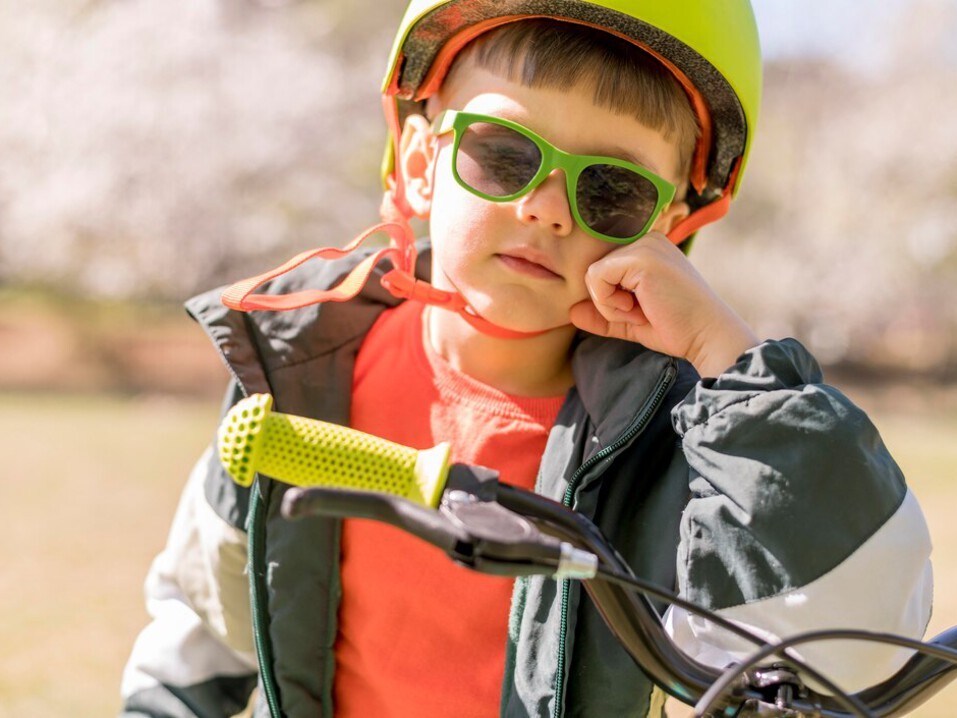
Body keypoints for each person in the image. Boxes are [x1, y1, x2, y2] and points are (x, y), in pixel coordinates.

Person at [120, 1, 933, 717]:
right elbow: (204, 616)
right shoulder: (303, 375)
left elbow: (852, 650)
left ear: (670, 232)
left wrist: (726, 357)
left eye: (609, 192)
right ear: (418, 163)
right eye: (503, 155)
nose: (543, 207)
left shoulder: (684, 448)